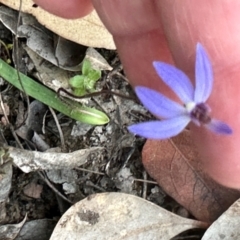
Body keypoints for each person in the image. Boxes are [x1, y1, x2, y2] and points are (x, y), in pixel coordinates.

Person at [34, 0, 240, 188]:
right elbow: (178, 70)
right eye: (202, 111)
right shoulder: (198, 91)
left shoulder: (173, 122)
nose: (201, 112)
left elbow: (156, 98)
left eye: (200, 116)